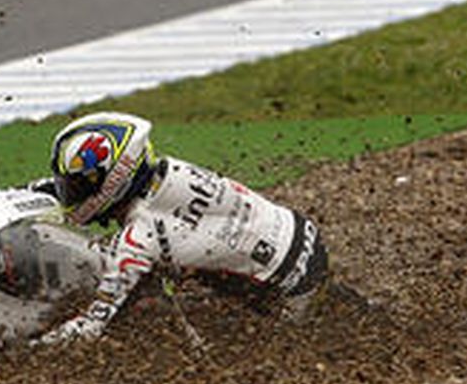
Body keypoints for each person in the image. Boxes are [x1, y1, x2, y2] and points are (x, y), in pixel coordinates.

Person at [37, 112, 329, 343]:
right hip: (304, 237)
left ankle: (199, 351)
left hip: (292, 295)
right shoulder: (168, 171)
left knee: (144, 310)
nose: (70, 196)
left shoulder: (140, 237)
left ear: (114, 179)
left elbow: (91, 327)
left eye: (76, 186)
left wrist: (31, 348)